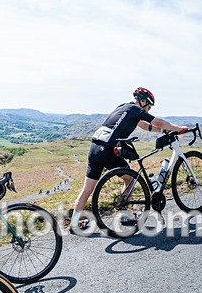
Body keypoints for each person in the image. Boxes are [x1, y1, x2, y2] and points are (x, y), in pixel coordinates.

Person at [70, 87, 187, 231]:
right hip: (107, 147)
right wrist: (179, 128)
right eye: (149, 106)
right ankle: (124, 215)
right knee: (131, 179)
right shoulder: (136, 109)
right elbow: (159, 122)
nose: (148, 110)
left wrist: (163, 131)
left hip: (95, 145)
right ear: (143, 102)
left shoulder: (124, 107)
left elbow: (145, 126)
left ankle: (73, 224)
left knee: (87, 189)